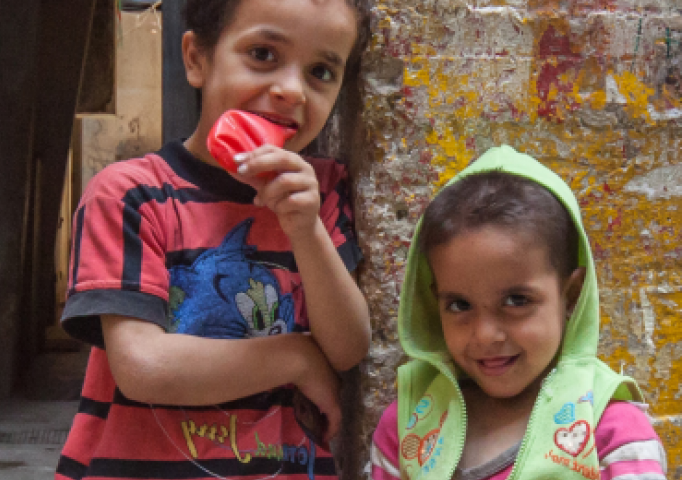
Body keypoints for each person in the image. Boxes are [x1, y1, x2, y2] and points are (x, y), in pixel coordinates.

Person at [55, 0, 371, 478]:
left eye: (321, 71)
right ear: (197, 59)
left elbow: (348, 348)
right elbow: (142, 365)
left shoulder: (322, 194)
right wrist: (294, 357)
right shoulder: (131, 194)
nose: (291, 90)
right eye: (263, 54)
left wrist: (305, 231)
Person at [370, 146, 667, 480]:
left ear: (569, 297)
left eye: (516, 300)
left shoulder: (608, 430)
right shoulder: (410, 426)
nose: (485, 334)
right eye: (459, 305)